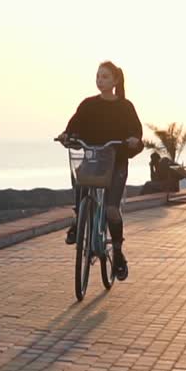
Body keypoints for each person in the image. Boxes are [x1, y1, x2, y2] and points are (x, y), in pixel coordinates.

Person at [54, 60, 143, 281]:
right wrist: (67, 135)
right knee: (80, 182)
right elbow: (74, 125)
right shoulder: (88, 105)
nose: (100, 80)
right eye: (98, 76)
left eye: (104, 76)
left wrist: (133, 140)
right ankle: (78, 220)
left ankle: (119, 252)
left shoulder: (125, 107)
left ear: (115, 80)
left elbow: (136, 131)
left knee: (112, 208)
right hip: (93, 159)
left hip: (117, 161)